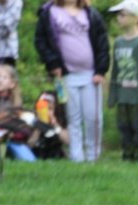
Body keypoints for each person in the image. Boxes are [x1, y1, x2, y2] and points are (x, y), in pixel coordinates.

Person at [34, 0, 110, 162]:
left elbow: (102, 41)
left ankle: (93, 155)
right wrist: (53, 63)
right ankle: (76, 156)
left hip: (91, 75)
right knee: (73, 117)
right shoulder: (49, 13)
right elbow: (41, 41)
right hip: (65, 76)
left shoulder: (91, 13)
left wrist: (101, 70)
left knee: (93, 117)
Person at [108, 0, 138, 161]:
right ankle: (127, 154)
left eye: (122, 15)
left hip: (136, 96)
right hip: (122, 95)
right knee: (123, 126)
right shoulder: (119, 42)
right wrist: (112, 95)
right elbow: (115, 71)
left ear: (135, 18)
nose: (119, 18)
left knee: (137, 126)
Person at [0, 62, 36, 160]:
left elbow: (25, 130)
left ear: (12, 84)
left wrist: (11, 134)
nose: (0, 80)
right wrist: (2, 130)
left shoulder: (16, 104)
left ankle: (10, 155)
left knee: (30, 161)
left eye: (4, 78)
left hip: (13, 139)